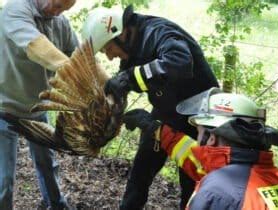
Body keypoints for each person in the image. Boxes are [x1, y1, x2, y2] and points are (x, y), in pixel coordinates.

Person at [81, 5, 219, 209]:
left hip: (198, 118)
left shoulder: (158, 33)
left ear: (121, 34)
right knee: (139, 174)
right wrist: (112, 109)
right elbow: (127, 80)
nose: (110, 56)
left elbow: (179, 63)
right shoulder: (132, 46)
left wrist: (129, 79)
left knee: (191, 185)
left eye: (108, 48)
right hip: (166, 112)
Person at [122, 87, 278, 210]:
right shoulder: (271, 178)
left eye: (197, 132)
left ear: (212, 138)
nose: (196, 140)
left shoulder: (216, 192)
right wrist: (155, 129)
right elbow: (196, 160)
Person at [0, 0, 79, 209]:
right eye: (57, 5)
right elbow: (37, 48)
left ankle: (56, 205)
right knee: (3, 179)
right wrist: (76, 73)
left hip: (37, 108)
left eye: (64, 9)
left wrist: (105, 85)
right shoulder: (15, 9)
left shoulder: (60, 22)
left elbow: (80, 58)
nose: (58, 12)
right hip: (3, 108)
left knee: (47, 165)